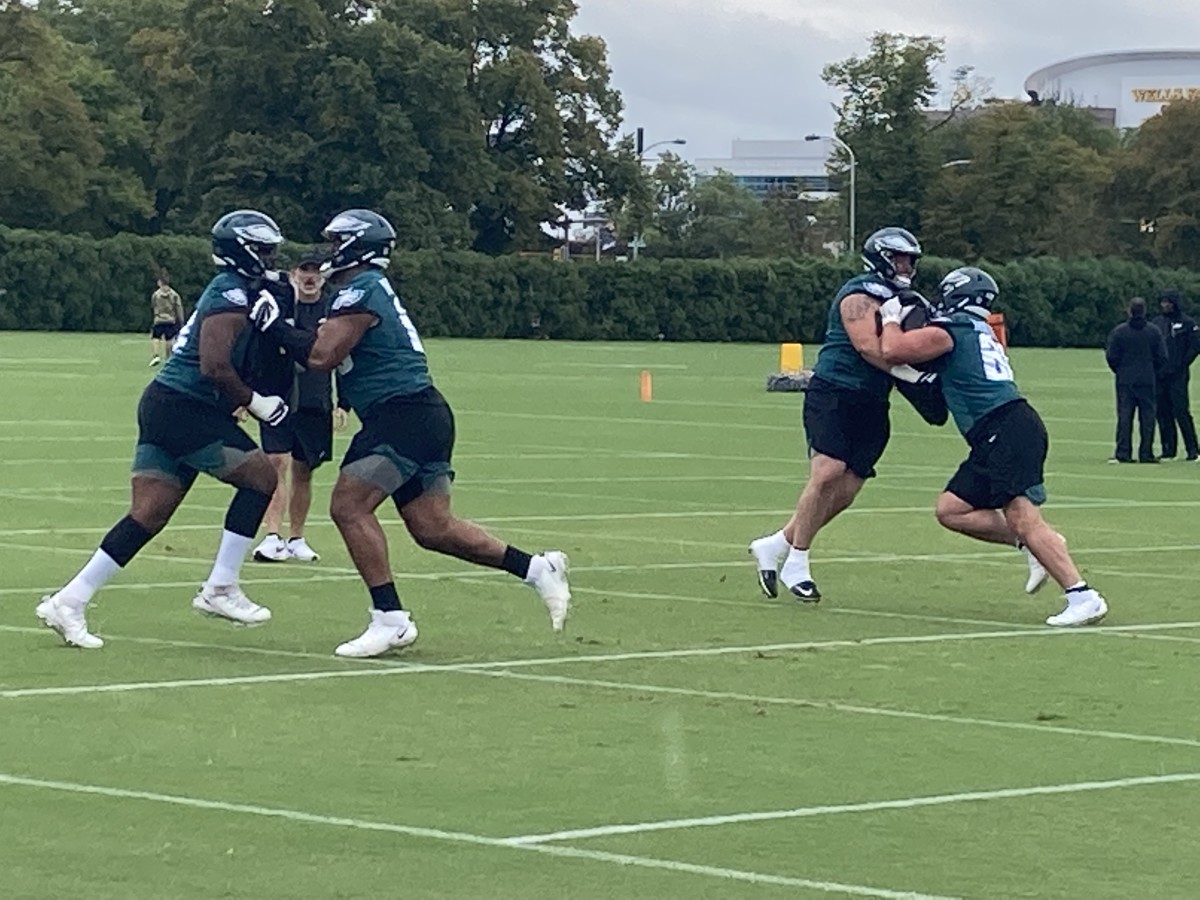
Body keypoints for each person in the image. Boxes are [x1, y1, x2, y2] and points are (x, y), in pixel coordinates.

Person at [247, 209, 570, 658]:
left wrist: (274, 327)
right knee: (433, 528)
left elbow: (321, 356)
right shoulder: (364, 289)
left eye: (339, 242)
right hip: (420, 413)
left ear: (358, 245)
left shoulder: (361, 289)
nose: (331, 252)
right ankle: (536, 568)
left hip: (401, 414)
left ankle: (390, 619)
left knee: (347, 505)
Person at [35, 210, 292, 649]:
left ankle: (70, 599)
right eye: (264, 249)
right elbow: (213, 365)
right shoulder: (230, 291)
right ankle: (221, 587)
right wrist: (255, 401)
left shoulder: (240, 290)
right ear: (245, 252)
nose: (270, 257)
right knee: (262, 479)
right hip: (184, 407)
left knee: (148, 513)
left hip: (166, 404)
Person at [879, 266, 1109, 627]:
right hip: (1000, 429)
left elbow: (892, 349)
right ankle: (1036, 544)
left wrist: (891, 318)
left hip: (1005, 427)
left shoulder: (952, 330)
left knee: (1021, 514)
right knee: (951, 509)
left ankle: (1082, 595)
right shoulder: (979, 329)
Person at [748, 226, 938, 602]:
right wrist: (916, 374)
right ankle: (797, 562)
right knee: (828, 471)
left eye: (910, 260)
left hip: (873, 400)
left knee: (847, 490)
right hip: (835, 391)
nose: (906, 266)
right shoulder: (858, 294)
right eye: (900, 258)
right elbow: (870, 347)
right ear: (882, 257)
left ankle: (776, 544)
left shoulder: (906, 299)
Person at [252, 249, 351, 563]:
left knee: (304, 469)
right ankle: (272, 536)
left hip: (315, 397)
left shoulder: (333, 309)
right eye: (303, 270)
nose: (309, 277)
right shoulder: (280, 304)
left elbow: (344, 356)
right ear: (293, 274)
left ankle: (297, 537)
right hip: (278, 396)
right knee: (274, 463)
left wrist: (343, 403)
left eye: (315, 271)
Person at [1105, 297, 1166, 463]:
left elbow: (1111, 356)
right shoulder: (1153, 331)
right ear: (1144, 311)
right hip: (1147, 378)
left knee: (1125, 416)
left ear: (1129, 311)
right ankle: (1146, 453)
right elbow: (1161, 356)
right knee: (1147, 417)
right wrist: (1152, 372)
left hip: (1125, 379)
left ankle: (1123, 452)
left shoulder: (1119, 331)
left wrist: (1120, 371)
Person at [1150, 290, 1200, 461]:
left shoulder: (1187, 323)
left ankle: (1193, 450)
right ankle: (1168, 449)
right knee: (1162, 412)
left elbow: (1195, 346)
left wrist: (1181, 365)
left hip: (1178, 375)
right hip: (1159, 375)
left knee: (1181, 411)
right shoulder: (1156, 323)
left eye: (1168, 302)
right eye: (1163, 302)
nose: (1165, 305)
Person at [148, 273, 185, 366]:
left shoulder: (156, 294)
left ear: (160, 282)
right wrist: (181, 320)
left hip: (159, 319)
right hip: (170, 319)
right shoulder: (174, 294)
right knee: (169, 339)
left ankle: (156, 355)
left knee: (156, 337)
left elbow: (153, 305)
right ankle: (168, 358)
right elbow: (178, 307)